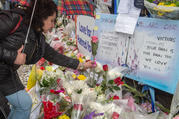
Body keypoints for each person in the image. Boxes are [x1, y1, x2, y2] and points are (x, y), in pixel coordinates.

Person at [0, 0, 96, 119]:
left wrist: (80, 65)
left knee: (24, 104)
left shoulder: (36, 34)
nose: (53, 25)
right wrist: (13, 56)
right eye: (51, 20)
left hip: (6, 73)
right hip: (3, 71)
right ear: (41, 16)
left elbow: (52, 55)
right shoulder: (13, 19)